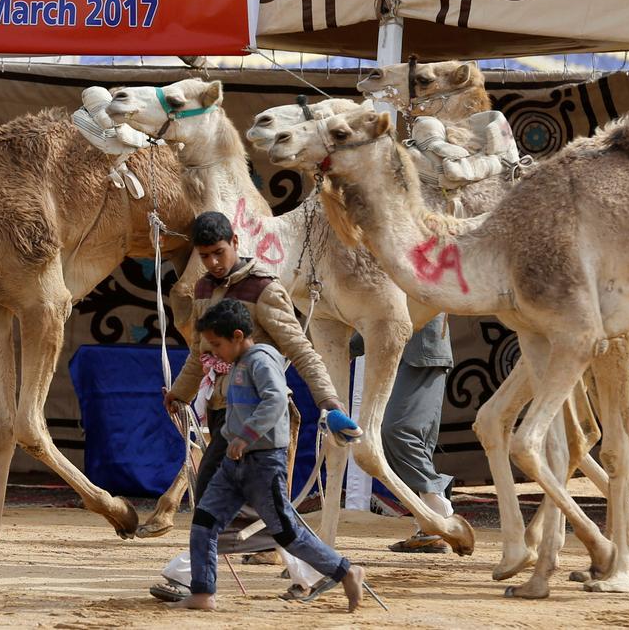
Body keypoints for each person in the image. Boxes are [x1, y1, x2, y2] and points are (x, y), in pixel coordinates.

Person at [149, 210, 358, 601]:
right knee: (262, 509)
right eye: (205, 256)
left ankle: (194, 581)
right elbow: (199, 352)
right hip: (224, 414)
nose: (213, 262)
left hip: (261, 420)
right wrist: (180, 393)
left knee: (239, 506)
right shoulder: (201, 289)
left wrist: (328, 402)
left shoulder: (263, 288)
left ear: (235, 242)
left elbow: (301, 349)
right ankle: (314, 572)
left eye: (219, 252)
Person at [179, 299, 363, 612]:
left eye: (217, 345)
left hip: (263, 463)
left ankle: (345, 571)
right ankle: (202, 592)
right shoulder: (238, 364)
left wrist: (246, 436)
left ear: (238, 336)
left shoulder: (261, 361)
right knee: (204, 523)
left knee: (286, 532)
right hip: (235, 463)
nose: (214, 353)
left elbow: (275, 400)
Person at [379, 314, 455, 553]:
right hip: (404, 351)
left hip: (422, 350)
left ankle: (440, 515)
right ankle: (430, 528)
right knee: (413, 440)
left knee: (398, 431)